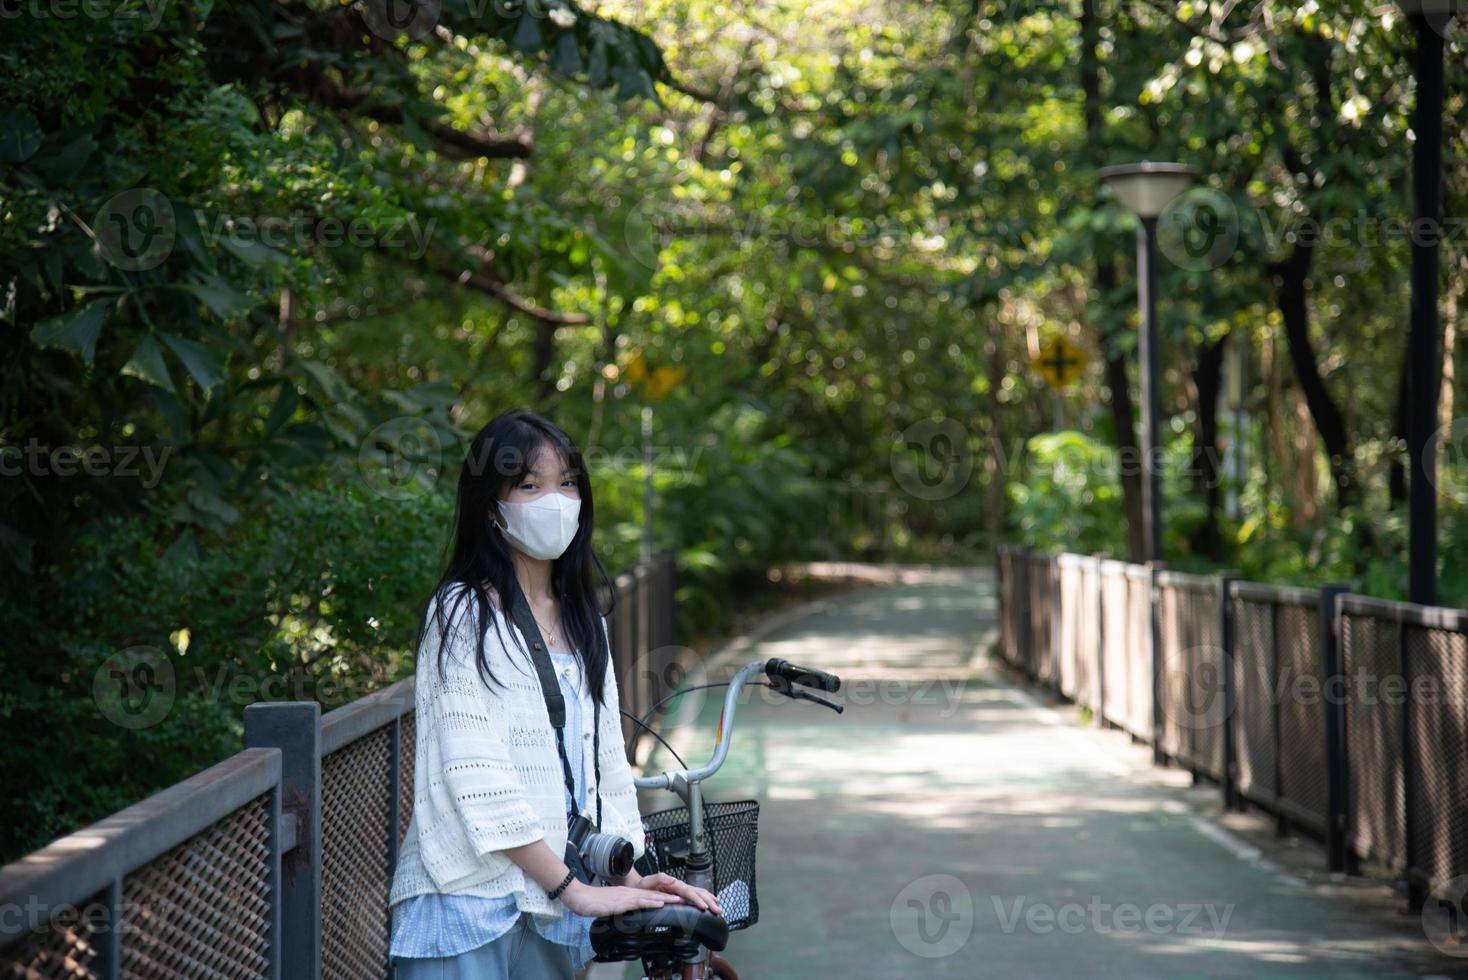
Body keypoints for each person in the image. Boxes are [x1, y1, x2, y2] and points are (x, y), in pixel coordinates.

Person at [388, 408, 721, 978]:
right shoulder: (463, 611)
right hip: (471, 905)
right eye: (531, 486)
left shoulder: (584, 617)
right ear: (491, 507)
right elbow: (477, 774)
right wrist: (574, 889)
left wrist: (630, 874)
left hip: (550, 911)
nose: (557, 500)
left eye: (567, 483)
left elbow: (605, 766)